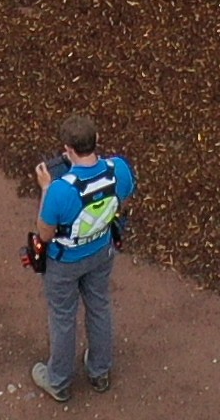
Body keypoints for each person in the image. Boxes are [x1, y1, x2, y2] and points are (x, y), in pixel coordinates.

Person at [26, 121, 134, 398]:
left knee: (63, 318)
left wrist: (46, 188)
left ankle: (59, 381)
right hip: (102, 251)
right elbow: (121, 201)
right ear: (97, 139)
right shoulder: (119, 169)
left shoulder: (61, 190)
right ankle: (100, 372)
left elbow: (45, 233)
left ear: (67, 149)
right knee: (99, 306)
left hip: (64, 262)